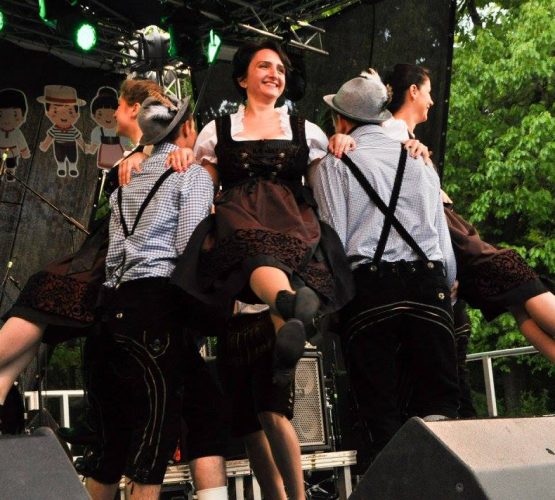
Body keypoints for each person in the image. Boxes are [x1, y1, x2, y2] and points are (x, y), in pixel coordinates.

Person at [170, 39, 353, 500]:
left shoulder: (306, 129)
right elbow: (201, 188)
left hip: (289, 225)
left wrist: (344, 141)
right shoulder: (216, 131)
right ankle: (290, 307)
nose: (275, 73)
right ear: (242, 77)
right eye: (264, 66)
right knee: (249, 422)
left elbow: (328, 184)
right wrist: (178, 157)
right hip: (240, 240)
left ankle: (288, 312)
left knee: (271, 407)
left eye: (281, 69)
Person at [312, 70, 460, 465]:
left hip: (371, 292)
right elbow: (444, 248)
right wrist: (444, 289)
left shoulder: (335, 164)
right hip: (429, 288)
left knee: (382, 419)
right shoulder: (420, 160)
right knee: (440, 410)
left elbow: (334, 243)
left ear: (341, 121)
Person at [85, 93, 227, 500]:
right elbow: (188, 249)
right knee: (155, 438)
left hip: (112, 309)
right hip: (157, 308)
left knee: (114, 444)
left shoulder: (125, 184)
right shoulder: (191, 176)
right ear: (186, 128)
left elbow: (114, 257)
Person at [0, 79, 161, 435]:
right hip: (107, 245)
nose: (114, 113)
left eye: (120, 106)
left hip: (120, 254)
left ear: (135, 108)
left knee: (43, 290)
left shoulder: (159, 151)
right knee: (40, 300)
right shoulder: (138, 151)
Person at [382, 63, 555, 364]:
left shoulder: (404, 136)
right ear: (413, 91)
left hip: (445, 233)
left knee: (517, 303)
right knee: (519, 274)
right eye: (429, 92)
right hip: (445, 234)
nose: (432, 101)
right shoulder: (391, 132)